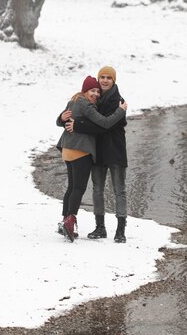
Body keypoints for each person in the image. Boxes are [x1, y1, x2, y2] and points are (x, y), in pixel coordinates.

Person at [58, 66, 129, 243]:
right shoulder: (91, 101)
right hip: (95, 151)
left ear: (114, 81)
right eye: (102, 78)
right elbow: (83, 118)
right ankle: (99, 227)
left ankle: (120, 231)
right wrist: (62, 119)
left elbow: (105, 125)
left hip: (115, 151)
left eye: (108, 78)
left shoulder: (117, 101)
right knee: (94, 190)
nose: (104, 82)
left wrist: (78, 124)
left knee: (118, 190)